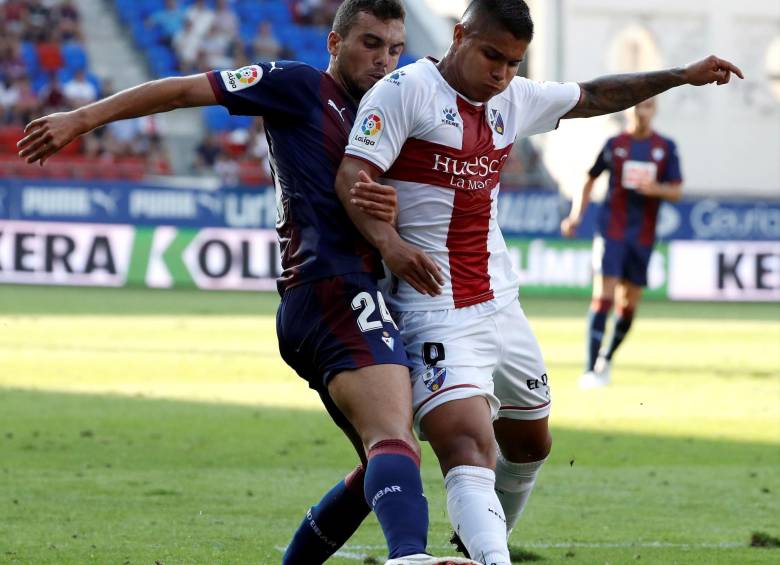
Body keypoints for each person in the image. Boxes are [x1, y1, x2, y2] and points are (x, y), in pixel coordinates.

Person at [15, 2, 473, 564]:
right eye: (370, 44)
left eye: (394, 49)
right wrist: (80, 119)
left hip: (331, 295)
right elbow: (185, 91)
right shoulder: (299, 85)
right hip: (332, 287)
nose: (383, 61)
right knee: (392, 442)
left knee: (382, 464)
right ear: (333, 44)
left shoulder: (387, 115)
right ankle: (409, 557)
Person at [333, 1, 742, 563]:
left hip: (502, 304)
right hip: (434, 304)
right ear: (459, 37)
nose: (501, 73)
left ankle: (479, 544)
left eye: (513, 62)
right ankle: (492, 559)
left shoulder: (514, 99)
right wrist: (390, 243)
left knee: (530, 443)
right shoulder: (404, 92)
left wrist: (680, 76)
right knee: (467, 441)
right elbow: (355, 172)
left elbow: (594, 94)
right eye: (491, 56)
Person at [561, 98, 683, 388]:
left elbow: (677, 191)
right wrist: (576, 215)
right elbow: (589, 179)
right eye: (638, 107)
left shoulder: (665, 148)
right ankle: (590, 370)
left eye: (648, 107)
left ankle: (607, 356)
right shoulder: (615, 144)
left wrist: (657, 189)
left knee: (628, 305)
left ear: (655, 111)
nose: (642, 112)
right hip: (611, 231)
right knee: (603, 294)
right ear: (629, 110)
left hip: (642, 235)